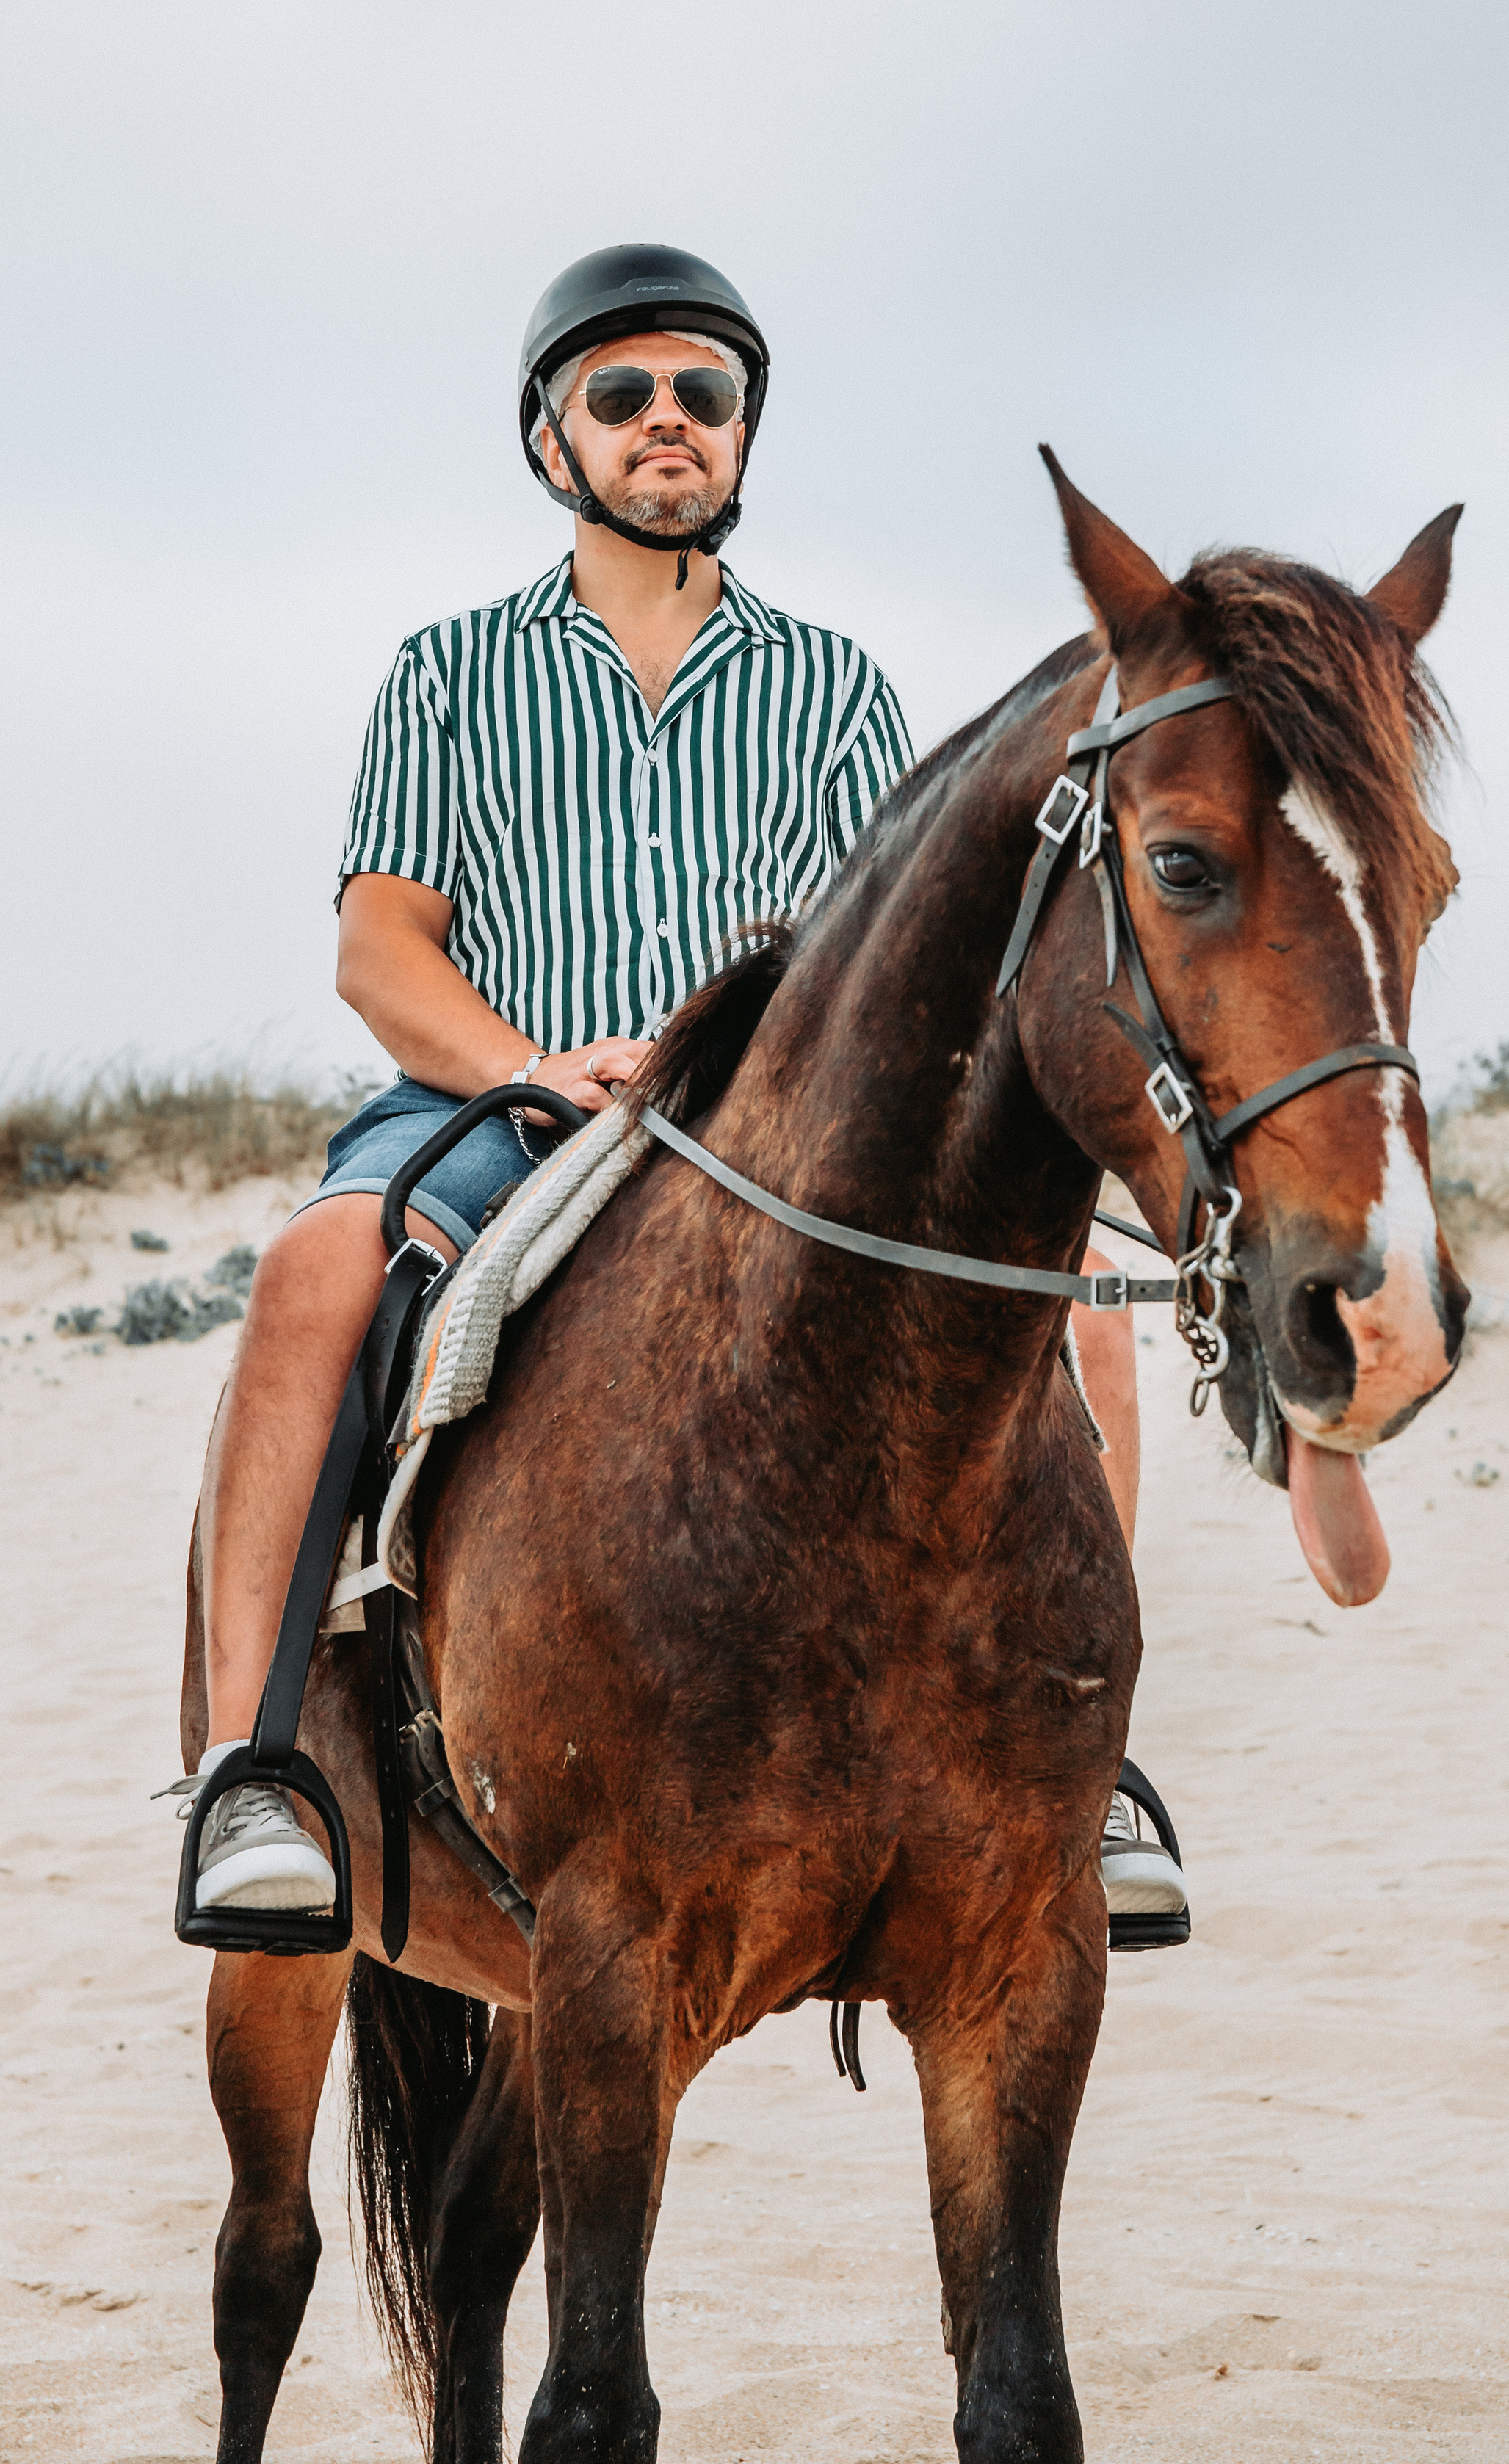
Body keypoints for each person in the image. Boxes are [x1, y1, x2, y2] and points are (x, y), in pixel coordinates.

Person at [175, 242, 1187, 1932]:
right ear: (550, 439)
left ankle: (1090, 1778)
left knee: (1074, 1302)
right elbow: (379, 954)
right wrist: (527, 1063)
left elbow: (896, 962)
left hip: (769, 1137)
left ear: (738, 436)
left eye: (703, 396)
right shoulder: (447, 676)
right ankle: (251, 1772)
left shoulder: (832, 690)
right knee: (314, 1269)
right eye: (622, 393)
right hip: (499, 1106)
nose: (668, 422)